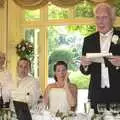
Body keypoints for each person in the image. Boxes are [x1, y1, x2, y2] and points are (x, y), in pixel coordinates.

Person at [80, 3, 120, 112]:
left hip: (118, 93)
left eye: (104, 17)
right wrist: (85, 66)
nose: (100, 21)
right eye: (97, 17)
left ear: (112, 19)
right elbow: (84, 71)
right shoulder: (88, 40)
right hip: (96, 95)